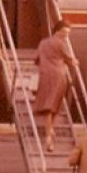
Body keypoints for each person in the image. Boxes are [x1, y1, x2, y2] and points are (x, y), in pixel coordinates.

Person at [33, 20, 77, 151]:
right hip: (59, 75)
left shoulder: (43, 42)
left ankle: (49, 133)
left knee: (48, 105)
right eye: (65, 32)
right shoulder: (61, 43)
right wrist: (74, 62)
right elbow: (69, 60)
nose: (66, 35)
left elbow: (36, 59)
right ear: (58, 31)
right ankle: (49, 133)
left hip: (45, 74)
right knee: (54, 104)